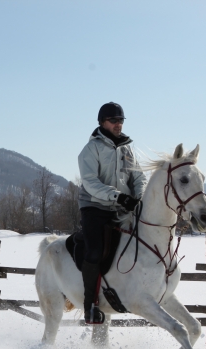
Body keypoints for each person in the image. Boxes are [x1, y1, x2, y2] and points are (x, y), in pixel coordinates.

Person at [77, 101, 147, 324]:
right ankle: (90, 307)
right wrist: (118, 196)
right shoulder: (91, 149)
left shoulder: (128, 149)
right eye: (114, 120)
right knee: (95, 252)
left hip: (122, 207)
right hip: (95, 207)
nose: (118, 124)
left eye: (121, 120)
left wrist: (137, 197)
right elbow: (90, 183)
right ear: (102, 122)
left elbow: (138, 177)